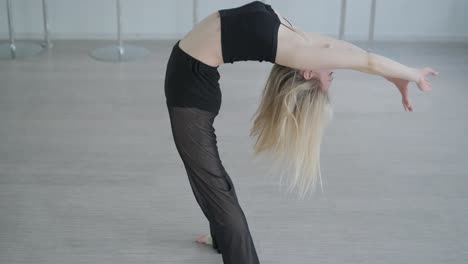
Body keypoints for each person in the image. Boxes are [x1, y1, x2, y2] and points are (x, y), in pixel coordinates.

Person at [164, 1, 438, 263]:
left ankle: (235, 249)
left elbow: (362, 60)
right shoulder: (301, 42)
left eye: (330, 77)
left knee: (211, 182)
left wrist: (410, 74)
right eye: (331, 76)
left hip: (189, 86)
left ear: (307, 73)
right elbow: (350, 53)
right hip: (191, 78)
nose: (333, 71)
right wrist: (396, 75)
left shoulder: (297, 52)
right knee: (210, 177)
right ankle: (222, 239)